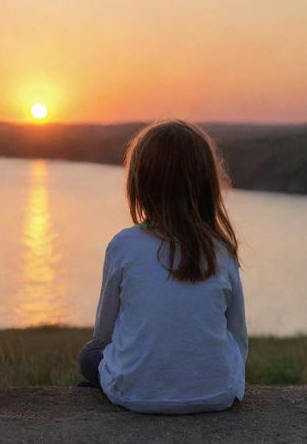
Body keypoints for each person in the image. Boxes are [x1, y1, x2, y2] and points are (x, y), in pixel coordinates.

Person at [78, 119, 247, 414]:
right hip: (218, 394)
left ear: (139, 184)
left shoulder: (124, 245)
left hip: (134, 395)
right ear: (207, 184)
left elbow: (103, 333)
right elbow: (237, 334)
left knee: (90, 355)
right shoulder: (221, 248)